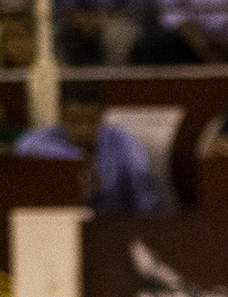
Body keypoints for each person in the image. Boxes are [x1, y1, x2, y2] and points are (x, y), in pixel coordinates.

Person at [16, 81, 166, 213]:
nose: (83, 128)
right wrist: (77, 159)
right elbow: (24, 148)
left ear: (102, 114)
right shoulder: (42, 139)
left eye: (91, 120)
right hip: (59, 224)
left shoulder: (123, 142)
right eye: (74, 120)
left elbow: (143, 198)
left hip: (113, 223)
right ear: (61, 115)